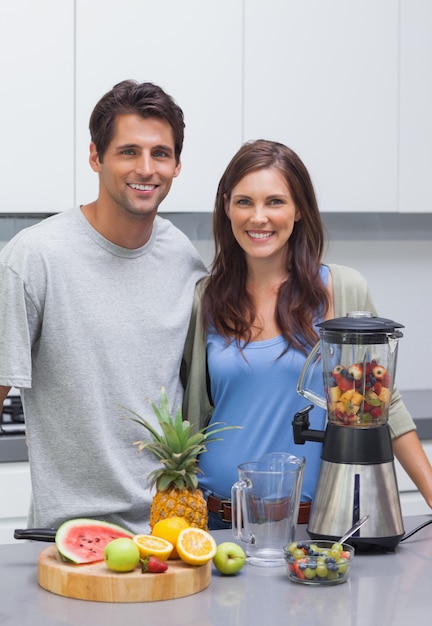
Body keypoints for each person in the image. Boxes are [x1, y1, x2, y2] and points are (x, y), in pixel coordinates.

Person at [181, 139, 432, 530]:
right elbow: (189, 411)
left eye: (275, 202)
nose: (258, 217)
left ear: (299, 209)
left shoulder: (342, 289)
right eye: (244, 201)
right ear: (227, 206)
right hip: (216, 523)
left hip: (314, 527)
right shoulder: (206, 298)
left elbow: (383, 402)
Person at [0, 80, 207, 533]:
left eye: (161, 153)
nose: (146, 168)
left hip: (169, 529)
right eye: (128, 151)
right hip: (67, 535)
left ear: (176, 165)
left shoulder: (185, 259)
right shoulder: (34, 257)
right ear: (95, 157)